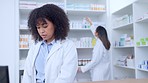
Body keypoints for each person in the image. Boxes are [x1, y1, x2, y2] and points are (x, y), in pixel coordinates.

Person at [22, 4, 78, 83]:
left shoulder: (68, 46)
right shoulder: (35, 47)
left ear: (56, 24)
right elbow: (27, 75)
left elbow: (67, 77)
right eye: (38, 27)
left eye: (45, 26)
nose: (41, 31)